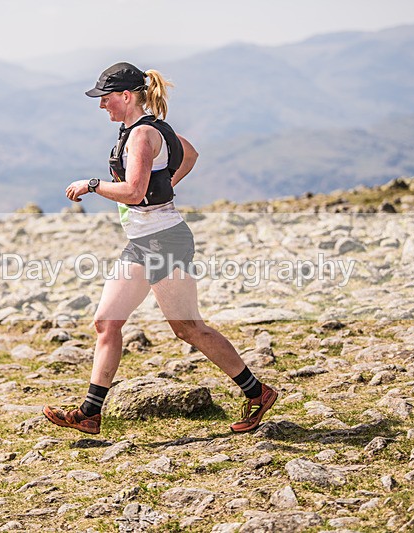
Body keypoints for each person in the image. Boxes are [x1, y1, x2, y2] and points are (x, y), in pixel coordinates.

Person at [43, 62, 277, 435]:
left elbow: (134, 192)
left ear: (126, 96)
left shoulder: (141, 135)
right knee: (107, 322)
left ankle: (257, 392)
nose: (101, 105)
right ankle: (90, 413)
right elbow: (190, 154)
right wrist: (165, 184)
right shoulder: (146, 129)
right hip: (143, 243)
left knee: (189, 328)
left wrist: (93, 184)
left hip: (165, 242)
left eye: (105, 98)